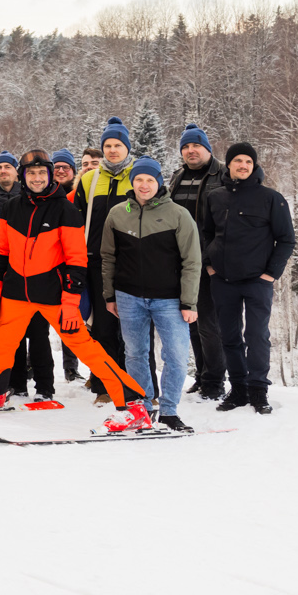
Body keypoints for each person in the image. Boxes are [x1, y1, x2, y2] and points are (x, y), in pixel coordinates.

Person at [0, 152, 148, 414]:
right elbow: (2, 252)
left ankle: (133, 403)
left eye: (42, 172)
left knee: (86, 348)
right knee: (2, 347)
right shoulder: (12, 207)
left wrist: (72, 302)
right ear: (23, 176)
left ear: (50, 175)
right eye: (31, 173)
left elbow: (77, 260)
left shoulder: (65, 209)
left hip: (53, 294)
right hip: (16, 292)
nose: (37, 178)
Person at [98, 157, 201, 432]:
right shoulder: (117, 214)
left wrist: (189, 302)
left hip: (170, 299)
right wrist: (110, 295)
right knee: (135, 354)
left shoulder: (178, 214)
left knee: (176, 355)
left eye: (150, 180)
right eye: (139, 180)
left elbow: (192, 261)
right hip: (128, 296)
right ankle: (141, 409)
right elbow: (108, 257)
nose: (144, 185)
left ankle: (169, 411)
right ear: (133, 182)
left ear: (159, 182)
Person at [202, 142, 295, 413]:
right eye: (238, 161)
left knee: (257, 336)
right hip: (223, 281)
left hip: (257, 281)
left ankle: (258, 391)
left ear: (254, 166)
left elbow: (286, 239)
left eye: (248, 162)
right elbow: (207, 233)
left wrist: (270, 274)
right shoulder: (215, 197)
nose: (243, 165)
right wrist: (210, 265)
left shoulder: (271, 198)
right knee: (229, 337)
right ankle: (239, 389)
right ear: (229, 164)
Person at [74, 119, 138, 402]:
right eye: (108, 145)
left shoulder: (138, 176)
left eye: (118, 145)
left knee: (133, 328)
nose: (113, 150)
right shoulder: (89, 180)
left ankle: (135, 385)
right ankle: (104, 386)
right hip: (97, 262)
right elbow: (76, 222)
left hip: (132, 262)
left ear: (127, 148)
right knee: (102, 328)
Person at [167, 125, 228, 400]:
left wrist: (216, 257)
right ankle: (202, 376)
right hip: (182, 261)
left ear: (207, 149)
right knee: (190, 320)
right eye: (186, 147)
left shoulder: (223, 174)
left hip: (210, 260)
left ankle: (215, 381)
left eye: (196, 146)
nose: (191, 151)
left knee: (209, 324)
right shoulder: (178, 176)